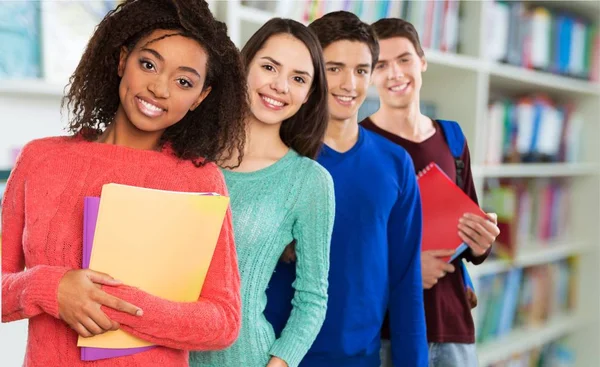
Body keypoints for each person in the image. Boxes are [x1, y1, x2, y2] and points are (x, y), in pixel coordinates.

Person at [1, 1, 247, 366]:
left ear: (201, 97)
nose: (159, 88)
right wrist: (49, 288)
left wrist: (113, 306)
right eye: (148, 64)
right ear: (121, 61)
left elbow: (223, 321)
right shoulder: (40, 159)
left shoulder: (198, 178)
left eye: (183, 81)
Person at [264, 11, 427, 367]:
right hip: (273, 356)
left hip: (360, 358)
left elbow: (405, 281)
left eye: (361, 70)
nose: (349, 84)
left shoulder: (395, 163)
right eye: (334, 68)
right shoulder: (274, 156)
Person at [189, 18, 335, 367]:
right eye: (269, 67)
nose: (280, 86)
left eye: (298, 79)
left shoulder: (309, 181)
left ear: (309, 95)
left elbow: (312, 299)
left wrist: (278, 364)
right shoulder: (189, 154)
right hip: (160, 354)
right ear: (244, 66)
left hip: (244, 358)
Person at [363, 18, 500, 367]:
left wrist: (482, 244)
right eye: (381, 65)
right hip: (386, 330)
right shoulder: (358, 144)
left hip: (452, 323)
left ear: (422, 61)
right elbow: (350, 250)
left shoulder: (453, 138)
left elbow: (469, 236)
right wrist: (406, 270)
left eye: (404, 59)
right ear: (368, 74)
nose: (395, 74)